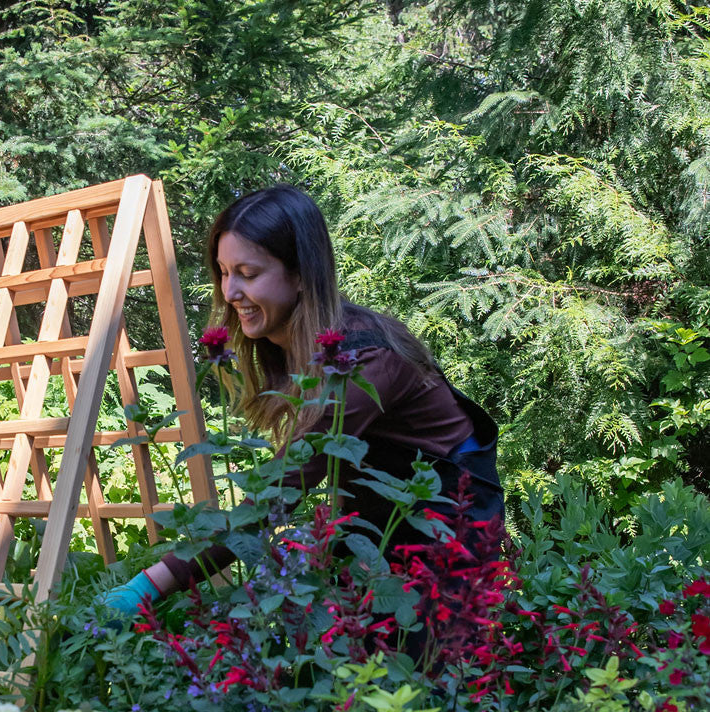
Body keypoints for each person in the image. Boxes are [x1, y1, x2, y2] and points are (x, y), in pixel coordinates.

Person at [100, 184, 503, 617]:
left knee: (431, 668)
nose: (229, 291)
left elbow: (283, 485)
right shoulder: (289, 341)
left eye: (248, 274)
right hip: (382, 524)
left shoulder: (360, 363)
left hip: (451, 521)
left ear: (300, 274)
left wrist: (148, 586)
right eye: (223, 271)